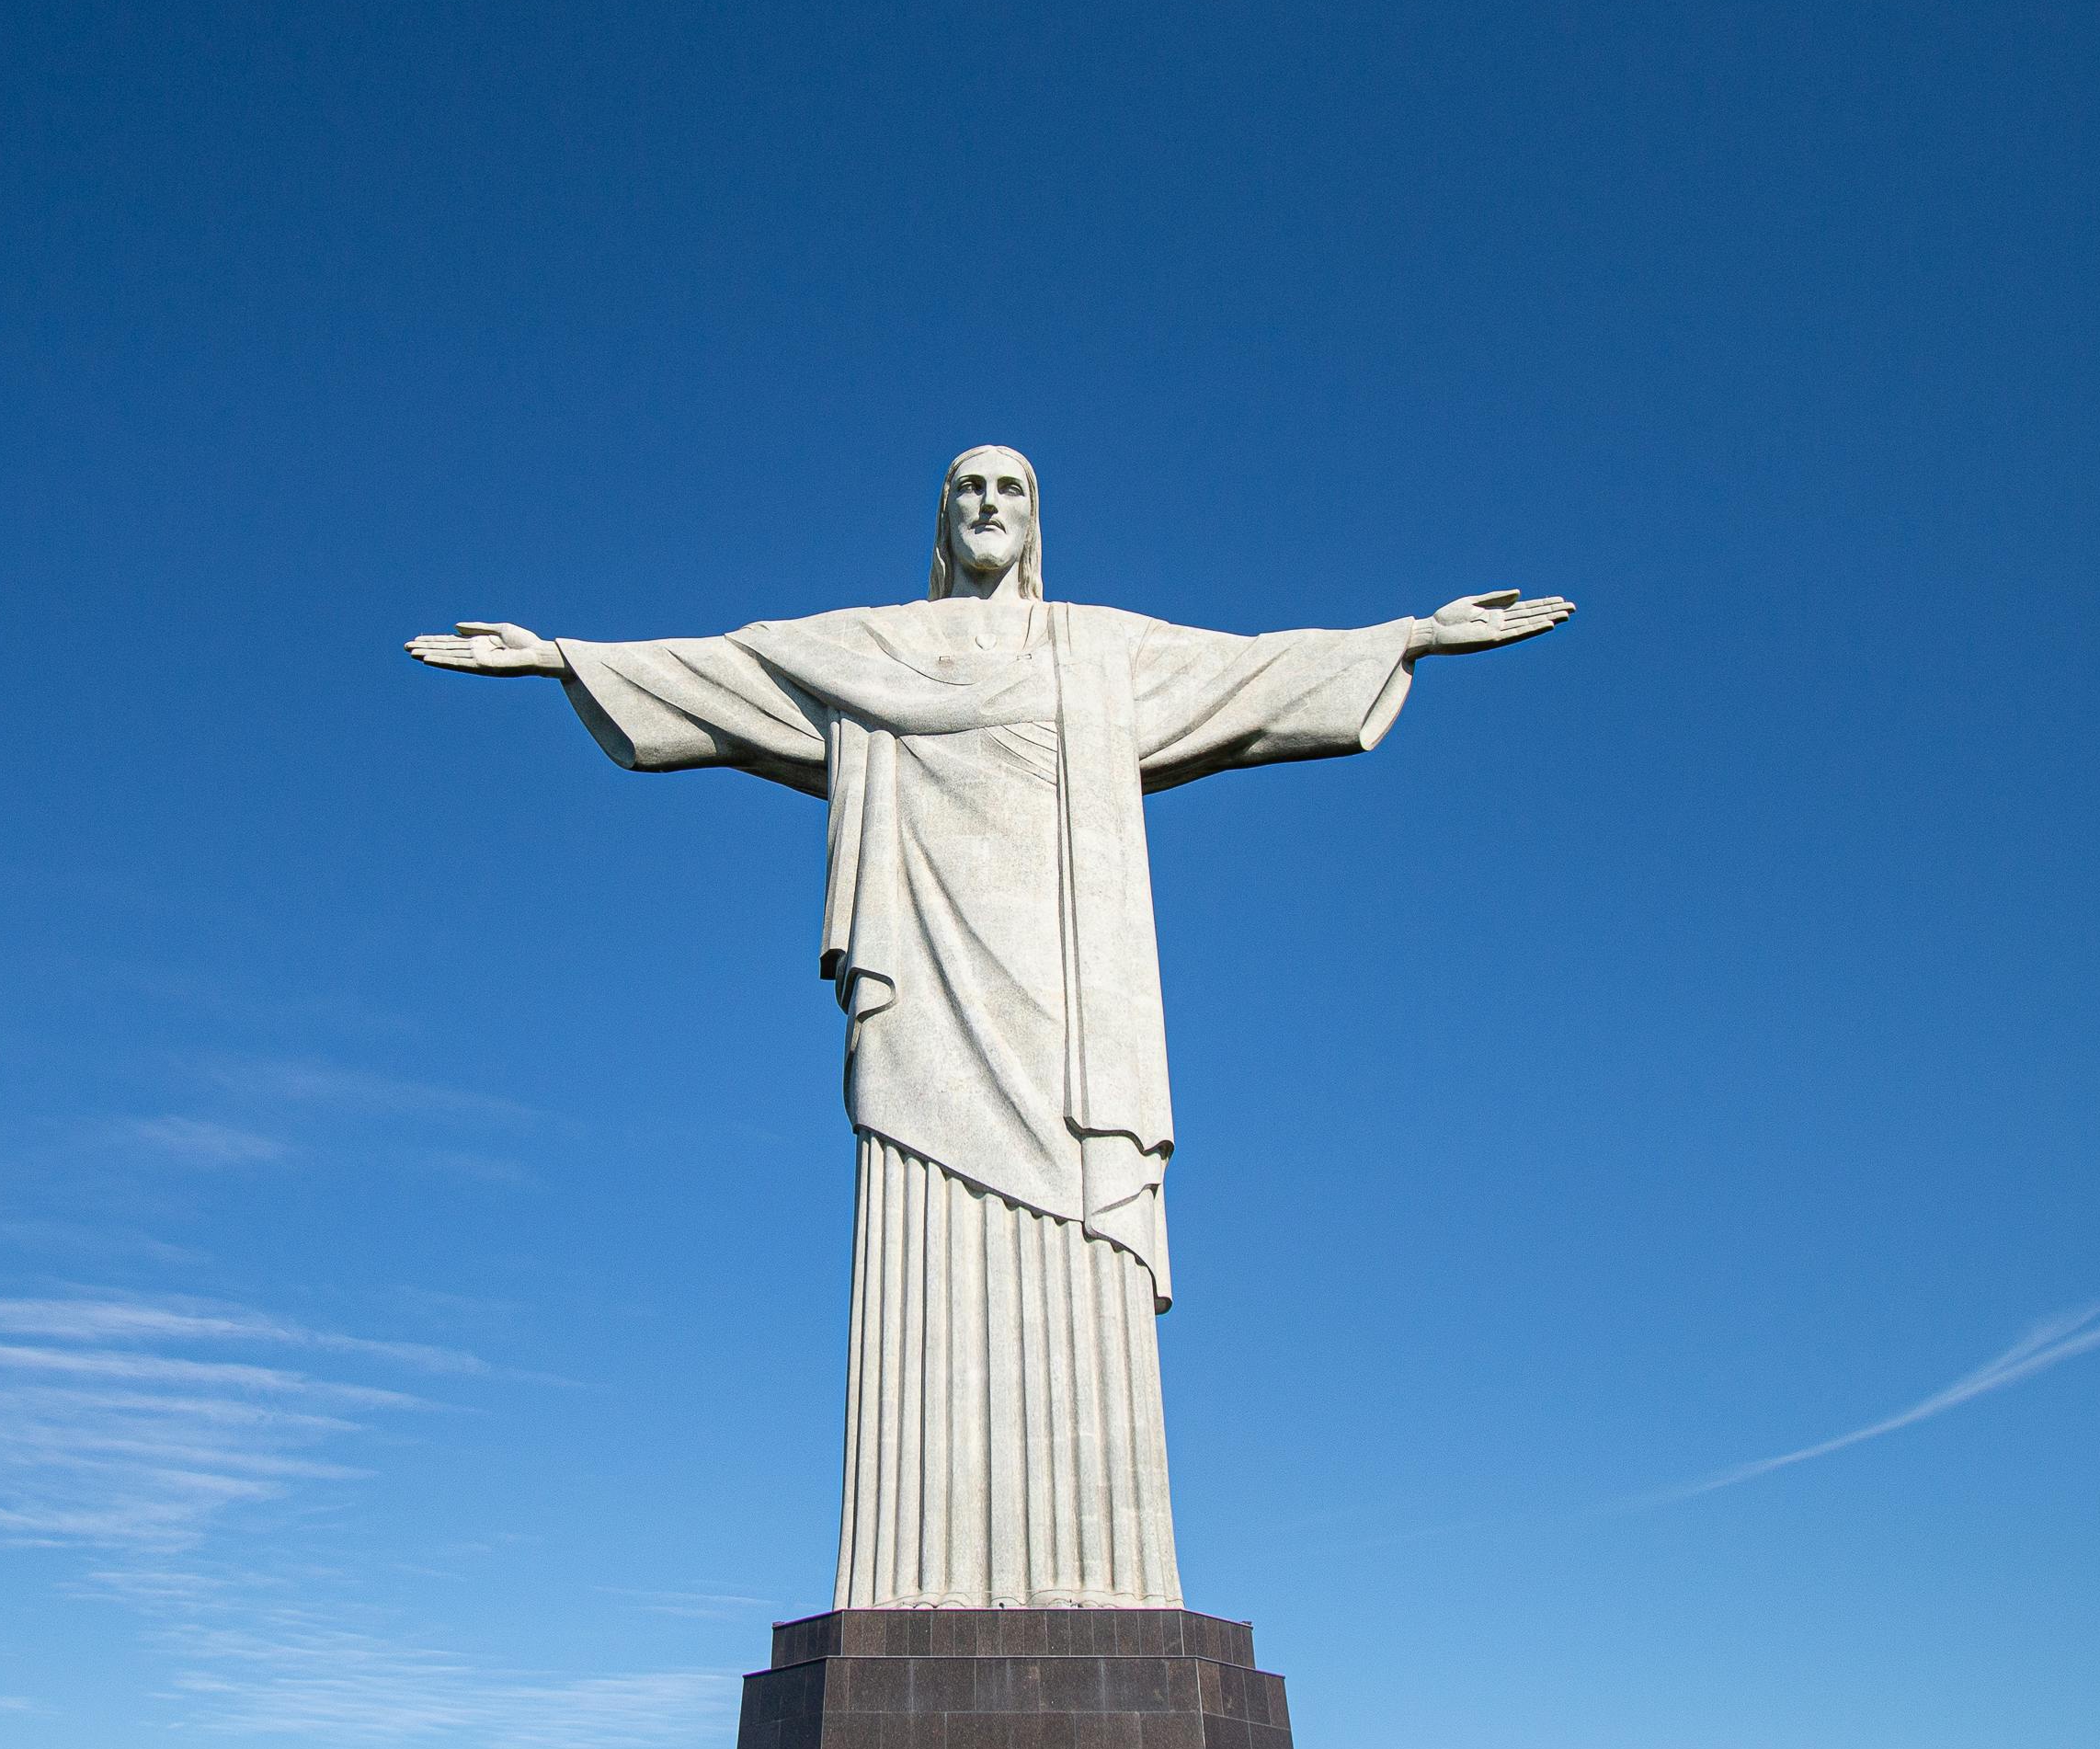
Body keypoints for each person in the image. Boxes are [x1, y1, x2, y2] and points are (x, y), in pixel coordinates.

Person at [407, 445, 1572, 1609]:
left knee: (1079, 1251)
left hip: (1071, 1012)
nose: (988, 506)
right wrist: (565, 658)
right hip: (924, 992)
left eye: (1011, 489)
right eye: (968, 487)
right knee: (922, 1239)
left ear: (1037, 520)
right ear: (939, 517)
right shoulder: (871, 650)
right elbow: (730, 670)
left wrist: (1408, 636)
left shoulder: (1098, 651)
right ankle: (909, 1574)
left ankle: (1108, 1580)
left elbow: (1251, 675)